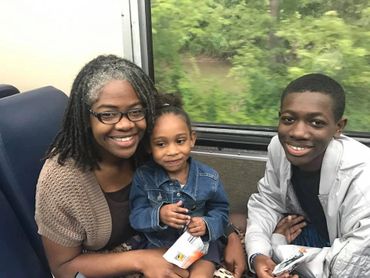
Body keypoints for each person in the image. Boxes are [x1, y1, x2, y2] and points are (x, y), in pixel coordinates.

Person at [35, 54, 245, 278]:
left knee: (243, 220)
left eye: (135, 111)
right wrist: (142, 260)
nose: (125, 124)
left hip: (173, 246)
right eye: (108, 114)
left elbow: (206, 205)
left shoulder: (149, 147)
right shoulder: (60, 181)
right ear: (85, 118)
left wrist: (231, 237)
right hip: (110, 263)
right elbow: (63, 267)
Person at [245, 73, 370, 278]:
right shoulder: (278, 147)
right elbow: (267, 201)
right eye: (289, 119)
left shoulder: (362, 177)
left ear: (338, 127)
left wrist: (277, 245)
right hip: (319, 240)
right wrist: (258, 254)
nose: (298, 132)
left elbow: (347, 267)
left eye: (316, 123)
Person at [129, 93, 229, 277]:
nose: (172, 151)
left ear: (192, 139)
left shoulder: (209, 178)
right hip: (158, 246)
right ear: (148, 147)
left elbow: (221, 212)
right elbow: (136, 216)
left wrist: (206, 224)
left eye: (180, 141)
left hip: (200, 246)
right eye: (161, 144)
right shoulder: (143, 177)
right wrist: (158, 214)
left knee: (202, 274)